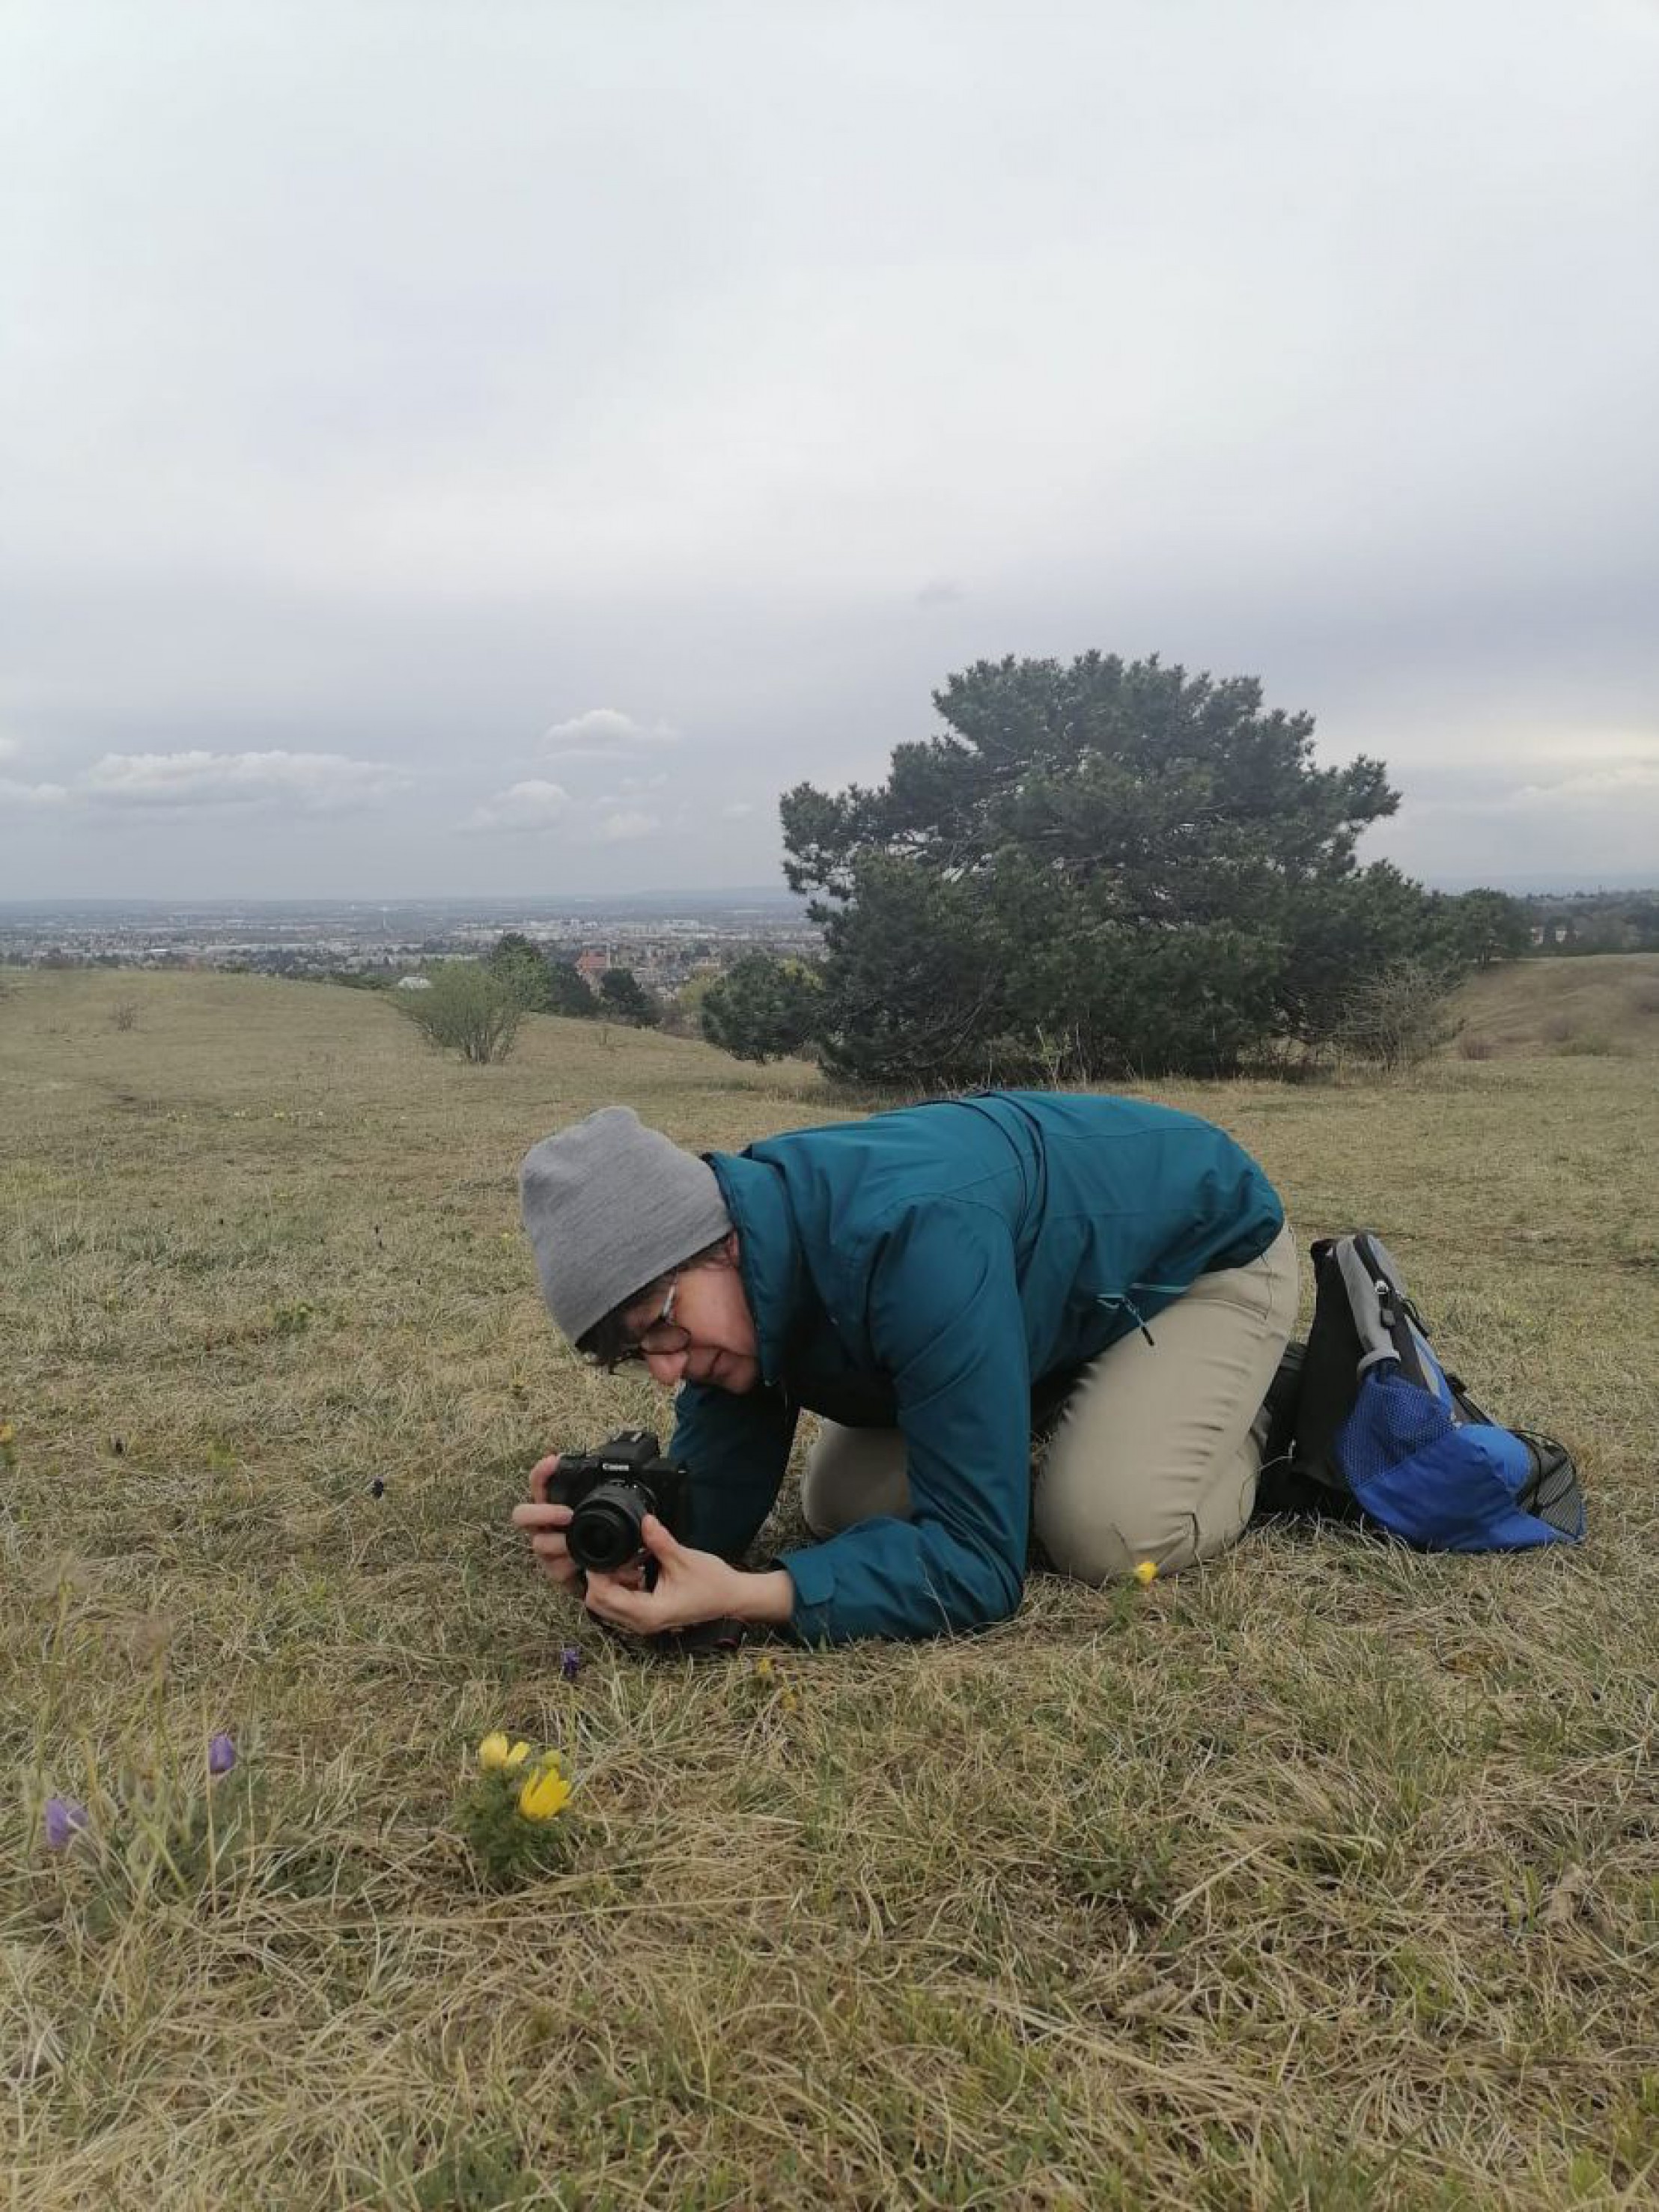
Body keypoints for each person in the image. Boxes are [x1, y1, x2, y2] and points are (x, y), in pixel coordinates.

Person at [513, 1091, 1297, 1646]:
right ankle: (1065, 1398)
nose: (664, 1371)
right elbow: (717, 1498)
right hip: (1031, 1299)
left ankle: (1257, 1407)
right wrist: (628, 1552)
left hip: (1201, 1256)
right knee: (842, 1504)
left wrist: (756, 1597)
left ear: (721, 1244)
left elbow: (978, 1568)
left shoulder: (911, 1238)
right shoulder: (739, 1276)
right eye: (634, 1353)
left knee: (1105, 1531)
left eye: (660, 1326)